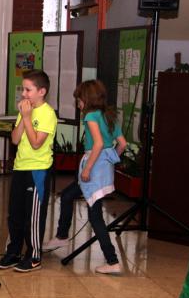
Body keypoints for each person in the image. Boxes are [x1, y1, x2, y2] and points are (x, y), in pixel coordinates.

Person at [43, 80, 127, 275]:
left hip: (93, 167)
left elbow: (97, 144)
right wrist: (109, 158)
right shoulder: (109, 115)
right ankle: (61, 236)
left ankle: (112, 260)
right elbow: (122, 144)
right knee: (67, 196)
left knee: (95, 216)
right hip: (103, 168)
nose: (78, 104)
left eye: (79, 100)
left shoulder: (91, 116)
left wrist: (88, 168)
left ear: (87, 99)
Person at [0, 70, 57, 272]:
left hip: (37, 170)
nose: (23, 94)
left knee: (33, 216)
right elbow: (15, 139)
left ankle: (34, 256)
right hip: (20, 167)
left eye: (28, 90)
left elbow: (36, 143)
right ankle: (13, 252)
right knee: (15, 214)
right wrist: (23, 117)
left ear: (42, 91)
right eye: (23, 89)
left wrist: (28, 118)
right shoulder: (25, 112)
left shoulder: (48, 114)